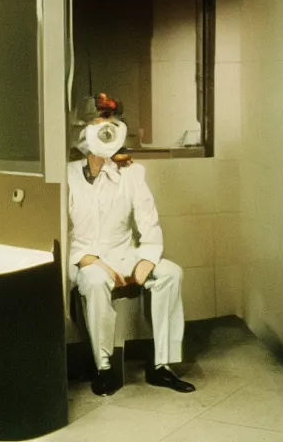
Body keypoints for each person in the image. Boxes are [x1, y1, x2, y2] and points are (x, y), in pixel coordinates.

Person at [69, 93, 196, 397]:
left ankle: (161, 365)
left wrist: (147, 259)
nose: (107, 129)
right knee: (97, 280)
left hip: (125, 253)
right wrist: (89, 260)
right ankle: (105, 367)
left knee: (170, 273)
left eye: (112, 123)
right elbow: (62, 231)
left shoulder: (133, 173)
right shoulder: (68, 175)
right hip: (86, 259)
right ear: (84, 131)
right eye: (100, 122)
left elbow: (149, 221)